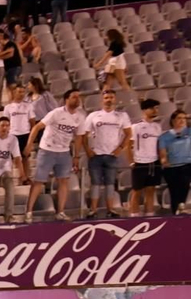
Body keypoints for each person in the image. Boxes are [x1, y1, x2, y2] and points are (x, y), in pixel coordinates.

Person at [26, 90, 87, 222]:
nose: (77, 99)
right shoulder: (56, 113)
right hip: (47, 150)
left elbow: (79, 137)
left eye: (79, 97)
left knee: (63, 181)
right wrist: (29, 145)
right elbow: (37, 127)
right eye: (74, 97)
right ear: (66, 99)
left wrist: (76, 156)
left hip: (64, 152)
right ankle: (29, 212)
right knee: (39, 181)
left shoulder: (80, 117)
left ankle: (60, 212)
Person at [80, 91, 131, 219]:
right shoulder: (93, 115)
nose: (109, 100)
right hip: (96, 155)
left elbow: (128, 133)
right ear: (102, 100)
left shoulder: (122, 116)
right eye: (106, 98)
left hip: (112, 155)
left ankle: (110, 209)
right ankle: (93, 210)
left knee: (110, 183)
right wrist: (88, 150)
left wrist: (120, 148)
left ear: (115, 99)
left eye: (111, 97)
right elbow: (84, 135)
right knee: (95, 183)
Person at [127, 99, 164, 217]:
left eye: (157, 108)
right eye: (152, 108)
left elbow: (159, 145)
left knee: (151, 190)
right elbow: (128, 145)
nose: (155, 110)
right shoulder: (136, 127)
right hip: (140, 162)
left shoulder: (157, 127)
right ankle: (134, 217)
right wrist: (131, 162)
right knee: (137, 191)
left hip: (154, 162)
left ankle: (150, 216)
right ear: (144, 110)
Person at [160, 109, 191, 215]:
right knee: (174, 191)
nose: (182, 120)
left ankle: (181, 208)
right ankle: (175, 213)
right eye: (179, 118)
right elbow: (162, 153)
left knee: (184, 187)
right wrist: (164, 160)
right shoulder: (164, 136)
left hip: (187, 165)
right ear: (173, 120)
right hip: (171, 167)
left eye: (184, 118)